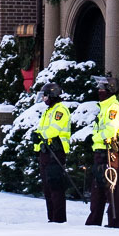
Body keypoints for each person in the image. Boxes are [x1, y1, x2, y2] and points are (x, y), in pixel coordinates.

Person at [85, 75, 119, 228]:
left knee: (111, 187)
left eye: (102, 88)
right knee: (97, 188)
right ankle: (94, 220)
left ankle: (116, 222)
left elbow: (110, 130)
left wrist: (95, 137)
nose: (99, 90)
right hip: (100, 152)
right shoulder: (104, 108)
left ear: (110, 90)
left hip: (110, 152)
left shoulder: (113, 108)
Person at [32, 81, 71, 223]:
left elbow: (54, 129)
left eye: (46, 96)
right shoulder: (49, 111)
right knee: (47, 187)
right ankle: (51, 217)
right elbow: (43, 129)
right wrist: (36, 138)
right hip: (45, 153)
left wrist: (40, 135)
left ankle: (58, 219)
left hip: (56, 152)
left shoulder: (60, 110)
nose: (44, 99)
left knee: (55, 186)